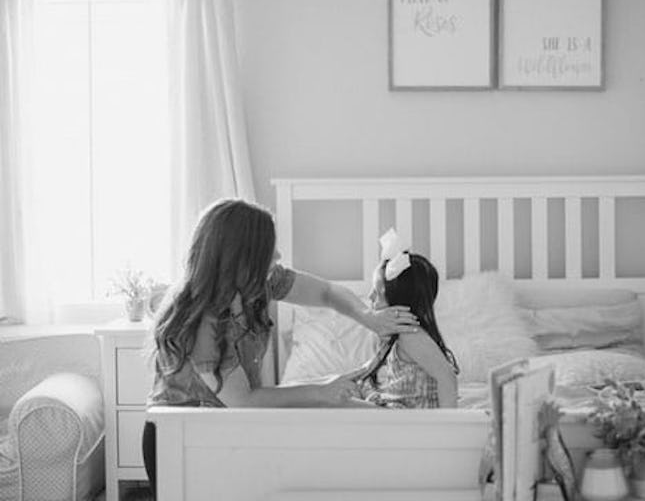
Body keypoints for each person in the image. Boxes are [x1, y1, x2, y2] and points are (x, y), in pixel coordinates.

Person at [142, 199, 418, 495]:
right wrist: (321, 391)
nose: (278, 255)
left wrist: (368, 317)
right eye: (268, 250)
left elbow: (326, 292)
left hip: (223, 428)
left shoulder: (260, 284)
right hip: (180, 439)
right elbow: (243, 402)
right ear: (240, 258)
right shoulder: (202, 321)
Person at [356, 228, 459, 409]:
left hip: (412, 420)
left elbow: (447, 378)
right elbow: (369, 369)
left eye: (378, 293)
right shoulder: (391, 337)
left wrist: (446, 426)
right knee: (348, 394)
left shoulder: (410, 336)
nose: (370, 297)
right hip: (395, 411)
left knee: (338, 405)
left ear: (399, 303)